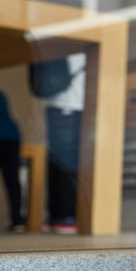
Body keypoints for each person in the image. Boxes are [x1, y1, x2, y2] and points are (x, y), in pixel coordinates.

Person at [44, 52, 85, 234]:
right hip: (71, 105)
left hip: (56, 106)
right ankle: (65, 217)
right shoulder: (80, 46)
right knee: (67, 163)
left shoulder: (59, 45)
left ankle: (55, 216)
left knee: (56, 161)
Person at [0, 88, 24, 232]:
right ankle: (17, 220)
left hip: (6, 137)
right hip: (11, 137)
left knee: (12, 180)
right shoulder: (1, 94)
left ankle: (17, 220)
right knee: (12, 180)